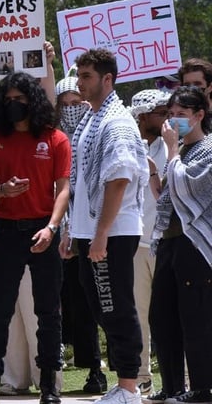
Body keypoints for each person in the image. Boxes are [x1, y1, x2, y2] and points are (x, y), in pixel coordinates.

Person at [0, 72, 70, 404]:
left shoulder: (55, 139)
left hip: (43, 229)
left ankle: (50, 383)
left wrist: (51, 228)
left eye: (20, 100)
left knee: (48, 310)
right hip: (7, 230)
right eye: (7, 100)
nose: (14, 105)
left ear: (33, 101)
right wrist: (2, 190)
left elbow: (64, 189)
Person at [69, 48, 148, 404]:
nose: (80, 84)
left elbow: (119, 179)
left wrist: (100, 234)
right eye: (79, 76)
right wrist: (76, 232)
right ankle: (124, 383)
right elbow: (83, 179)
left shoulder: (116, 121)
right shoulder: (92, 118)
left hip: (113, 230)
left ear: (107, 79)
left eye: (87, 77)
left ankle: (129, 386)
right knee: (101, 305)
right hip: (92, 229)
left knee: (116, 306)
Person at [149, 86, 212, 404]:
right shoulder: (180, 151)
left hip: (196, 247)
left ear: (200, 115)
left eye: (181, 116)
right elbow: (171, 195)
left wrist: (171, 153)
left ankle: (203, 387)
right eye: (170, 115)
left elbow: (191, 187)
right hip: (169, 241)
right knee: (162, 317)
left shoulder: (207, 149)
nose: (174, 122)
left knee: (195, 318)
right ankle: (172, 385)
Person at [54, 75, 106, 394]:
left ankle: (94, 370)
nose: (72, 110)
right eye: (65, 105)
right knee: (59, 302)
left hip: (89, 231)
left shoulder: (96, 131)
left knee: (89, 303)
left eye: (77, 103)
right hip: (57, 231)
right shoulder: (54, 137)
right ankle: (55, 363)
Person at [129, 89, 171, 397]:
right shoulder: (126, 142)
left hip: (166, 240)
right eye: (161, 113)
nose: (168, 118)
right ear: (143, 116)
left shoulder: (175, 145)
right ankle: (142, 376)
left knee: (170, 312)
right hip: (135, 242)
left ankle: (180, 377)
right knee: (138, 314)